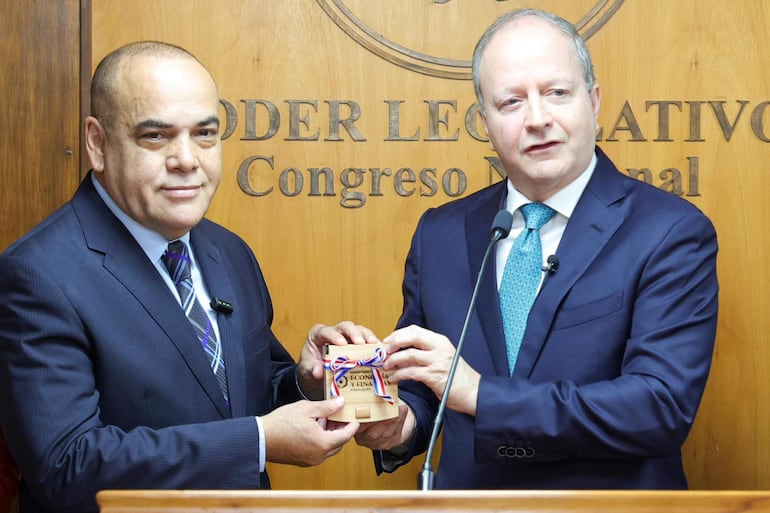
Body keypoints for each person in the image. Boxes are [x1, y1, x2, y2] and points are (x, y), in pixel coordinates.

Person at [0, 41, 371, 513]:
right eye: (155, 136)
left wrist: (307, 383)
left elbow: (237, 403)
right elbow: (67, 467)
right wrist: (258, 442)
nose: (187, 159)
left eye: (204, 134)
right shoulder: (38, 273)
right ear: (98, 143)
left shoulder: (228, 251)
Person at [355, 8, 719, 489]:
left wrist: (482, 395)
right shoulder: (439, 234)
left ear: (594, 101)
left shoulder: (669, 232)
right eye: (510, 103)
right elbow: (431, 388)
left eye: (557, 93)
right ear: (485, 123)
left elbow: (659, 407)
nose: (538, 119)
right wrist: (400, 425)